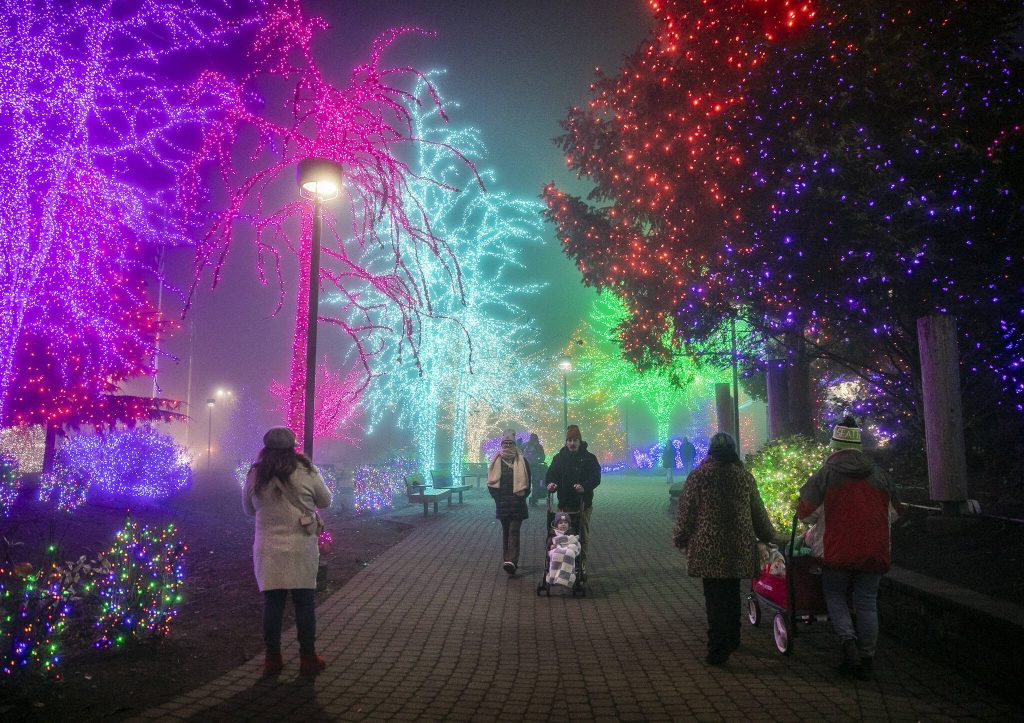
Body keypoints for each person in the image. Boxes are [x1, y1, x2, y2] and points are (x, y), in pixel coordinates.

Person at [797, 415, 899, 680]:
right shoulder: (879, 474)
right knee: (867, 601)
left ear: (835, 446)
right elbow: (895, 512)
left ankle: (848, 644)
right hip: (874, 550)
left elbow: (805, 513)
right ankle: (868, 657)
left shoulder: (825, 474)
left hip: (837, 550)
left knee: (835, 595)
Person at [673, 431, 775, 665]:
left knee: (714, 597)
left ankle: (718, 647)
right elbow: (757, 512)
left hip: (709, 547)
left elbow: (686, 512)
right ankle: (732, 637)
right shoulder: (744, 477)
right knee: (731, 592)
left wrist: (681, 538)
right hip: (738, 546)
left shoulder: (698, 477)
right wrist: (768, 535)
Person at [243, 426, 332, 676]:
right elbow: (326, 501)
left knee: (273, 603)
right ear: (293, 447)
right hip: (301, 548)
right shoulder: (307, 471)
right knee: (304, 603)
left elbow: (248, 510)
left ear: (266, 448)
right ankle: (308, 658)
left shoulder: (256, 474)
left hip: (268, 549)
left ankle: (272, 658)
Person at [545, 424, 601, 572]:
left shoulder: (589, 458)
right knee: (561, 535)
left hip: (583, 504)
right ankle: (562, 563)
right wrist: (551, 484)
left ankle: (581, 564)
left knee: (581, 535)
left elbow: (595, 477)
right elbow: (551, 475)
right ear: (566, 442)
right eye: (569, 440)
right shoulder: (559, 458)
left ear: (580, 441)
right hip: (564, 504)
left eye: (575, 440)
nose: (572, 443)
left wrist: (584, 487)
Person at [487, 430, 532, 575]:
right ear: (501, 445)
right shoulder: (496, 461)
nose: (507, 446)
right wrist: (497, 498)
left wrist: (521, 497)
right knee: (506, 532)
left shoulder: (522, 461)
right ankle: (507, 560)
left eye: (510, 443)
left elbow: (528, 483)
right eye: (505, 443)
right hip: (502, 504)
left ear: (514, 445)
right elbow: (491, 484)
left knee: (513, 531)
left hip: (517, 504)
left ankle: (512, 561)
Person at [546, 511, 582, 587]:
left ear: (569, 524)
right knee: (556, 554)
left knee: (570, 552)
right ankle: (557, 576)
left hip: (568, 549)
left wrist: (570, 544)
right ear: (556, 525)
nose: (563, 524)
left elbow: (574, 541)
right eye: (560, 523)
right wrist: (551, 546)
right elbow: (550, 543)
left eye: (566, 522)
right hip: (557, 550)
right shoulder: (553, 533)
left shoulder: (571, 532)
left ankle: (564, 577)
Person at [522, 432, 548, 506]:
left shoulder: (525, 445)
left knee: (524, 484)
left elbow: (520, 453)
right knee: (536, 484)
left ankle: (522, 500)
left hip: (525, 466)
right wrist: (538, 461)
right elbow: (543, 457)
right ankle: (533, 500)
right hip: (535, 467)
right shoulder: (538, 446)